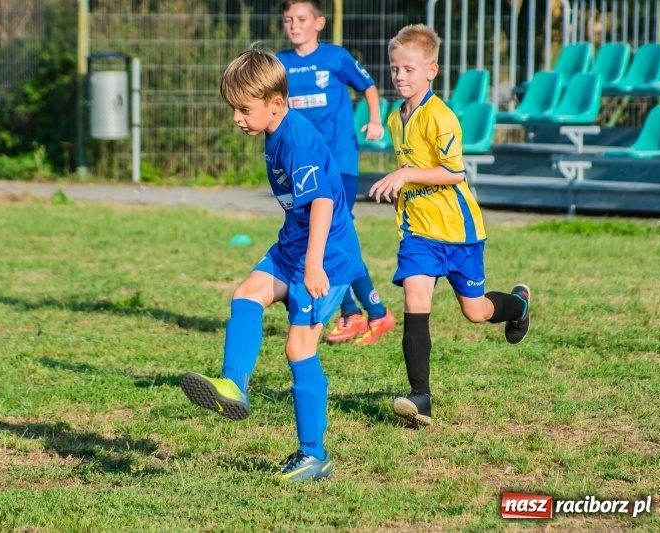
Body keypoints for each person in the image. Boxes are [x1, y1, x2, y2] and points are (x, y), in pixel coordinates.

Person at [180, 46, 367, 482]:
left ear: (276, 103)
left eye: (244, 109)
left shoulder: (296, 141)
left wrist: (314, 266)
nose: (236, 118)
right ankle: (233, 386)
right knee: (246, 295)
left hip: (327, 257)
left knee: (298, 348)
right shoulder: (274, 131)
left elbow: (321, 202)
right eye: (233, 109)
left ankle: (313, 455)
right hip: (292, 247)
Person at [369, 24, 531, 427]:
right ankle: (420, 397)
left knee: (475, 312)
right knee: (415, 299)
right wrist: (403, 179)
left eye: (409, 68)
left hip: (459, 233)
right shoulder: (395, 118)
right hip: (418, 234)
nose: (400, 76)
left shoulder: (441, 118)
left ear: (431, 70)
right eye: (394, 69)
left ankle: (520, 305)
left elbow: (454, 173)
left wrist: (405, 175)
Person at [276, 0, 395, 346]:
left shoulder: (336, 57)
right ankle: (360, 312)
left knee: (331, 236)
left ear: (319, 23)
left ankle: (369, 312)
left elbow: (368, 86)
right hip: (303, 167)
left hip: (340, 161)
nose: (294, 25)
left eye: (301, 19)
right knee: (326, 239)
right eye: (288, 20)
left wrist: (374, 119)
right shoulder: (281, 64)